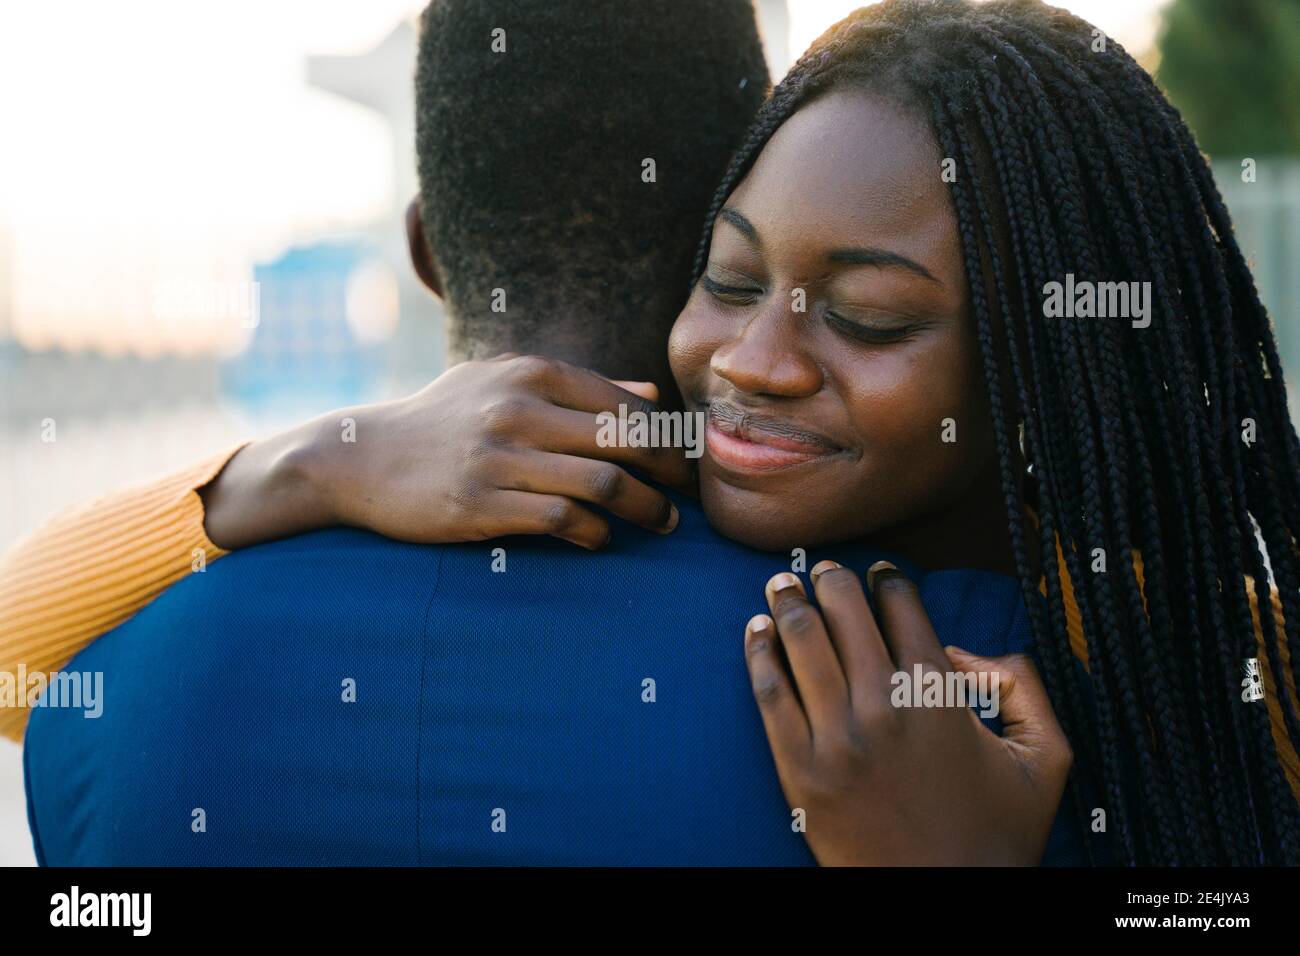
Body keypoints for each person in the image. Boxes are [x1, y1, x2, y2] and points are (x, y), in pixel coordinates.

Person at [19, 0, 1081, 866]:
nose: (763, 356)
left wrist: (305, 464)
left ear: (427, 251)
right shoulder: (981, 692)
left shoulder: (109, 689)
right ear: (715, 230)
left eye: (871, 319)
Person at [671, 0, 1300, 865]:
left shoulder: (1242, 687)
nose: (751, 361)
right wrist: (409, 453)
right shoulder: (572, 491)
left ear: (1046, 365)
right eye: (732, 281)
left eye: (868, 318)